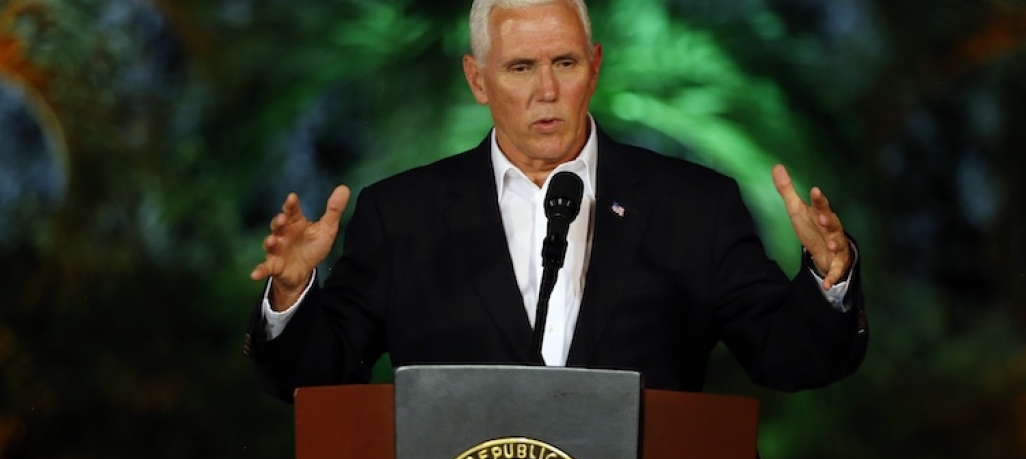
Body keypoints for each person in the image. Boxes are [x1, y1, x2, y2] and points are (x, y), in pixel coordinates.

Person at [246, 0, 867, 404]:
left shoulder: (693, 208)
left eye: (564, 63)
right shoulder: (402, 215)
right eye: (520, 68)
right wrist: (292, 296)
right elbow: (316, 379)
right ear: (477, 79)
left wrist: (828, 280)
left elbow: (793, 357)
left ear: (593, 68)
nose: (547, 90)